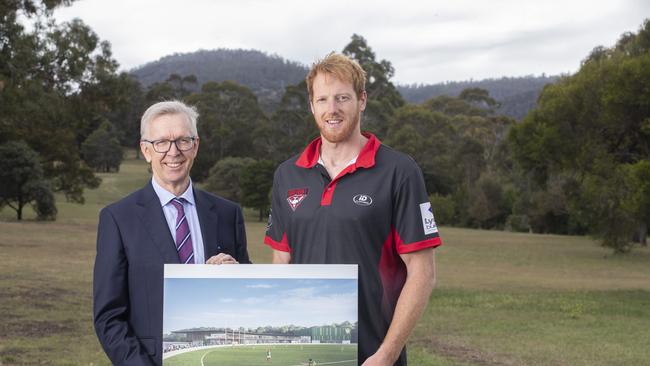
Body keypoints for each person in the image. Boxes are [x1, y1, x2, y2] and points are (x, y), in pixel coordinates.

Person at [264, 53, 441, 366]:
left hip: (373, 357)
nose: (332, 109)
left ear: (362, 100)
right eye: (323, 99)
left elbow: (422, 272)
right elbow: (282, 263)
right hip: (309, 357)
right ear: (312, 105)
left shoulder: (399, 171)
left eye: (342, 98)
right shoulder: (287, 174)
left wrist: (386, 354)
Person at [93, 100, 250, 365]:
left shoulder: (227, 214)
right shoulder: (118, 218)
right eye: (162, 142)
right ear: (146, 150)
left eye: (182, 141)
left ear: (195, 146)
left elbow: (247, 294)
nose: (173, 151)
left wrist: (237, 276)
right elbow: (109, 317)